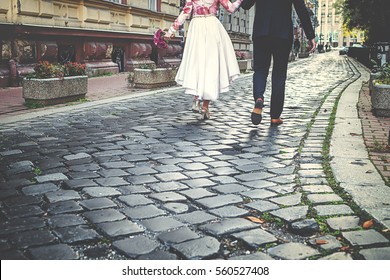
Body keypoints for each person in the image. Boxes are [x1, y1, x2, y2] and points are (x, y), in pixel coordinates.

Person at [241, 0, 316, 126]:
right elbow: (301, 9)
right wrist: (310, 36)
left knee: (260, 70)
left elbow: (246, 4)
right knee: (279, 75)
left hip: (261, 31)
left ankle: (259, 98)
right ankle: (275, 116)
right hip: (282, 33)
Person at [164, 0, 243, 120]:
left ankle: (196, 98)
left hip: (197, 28)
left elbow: (185, 12)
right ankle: (205, 106)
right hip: (212, 27)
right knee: (211, 65)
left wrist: (171, 30)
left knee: (196, 62)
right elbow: (230, 8)